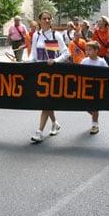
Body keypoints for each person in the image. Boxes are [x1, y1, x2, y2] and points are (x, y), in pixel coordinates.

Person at [30, 11, 69, 142]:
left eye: (49, 18)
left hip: (53, 73)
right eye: (44, 18)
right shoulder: (36, 35)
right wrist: (27, 62)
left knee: (45, 101)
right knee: (46, 101)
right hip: (40, 73)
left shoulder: (56, 35)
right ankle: (55, 123)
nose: (47, 20)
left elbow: (66, 53)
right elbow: (33, 55)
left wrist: (56, 60)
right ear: (40, 20)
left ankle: (39, 131)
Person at [81, 41, 108, 134]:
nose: (87, 52)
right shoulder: (84, 61)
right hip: (86, 87)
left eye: (90, 50)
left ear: (96, 50)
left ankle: (95, 124)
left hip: (97, 87)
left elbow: (108, 72)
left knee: (95, 106)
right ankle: (94, 114)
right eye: (86, 50)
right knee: (85, 106)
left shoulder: (101, 61)